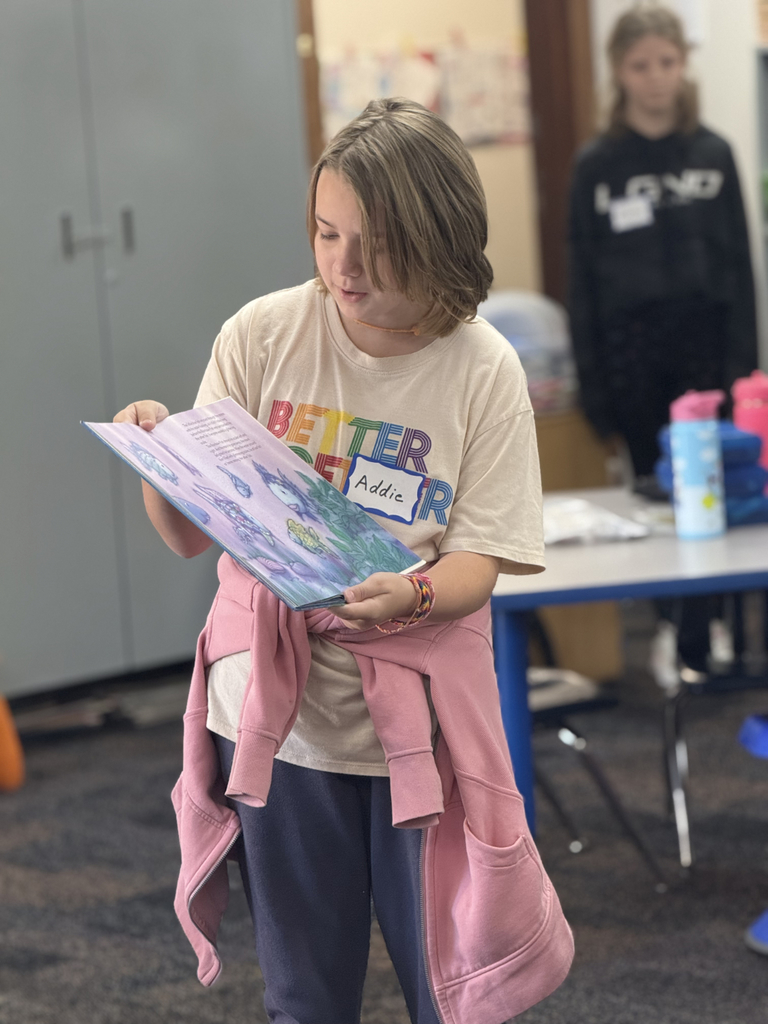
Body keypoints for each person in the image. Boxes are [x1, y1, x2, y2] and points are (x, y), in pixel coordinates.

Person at [114, 98, 573, 1024]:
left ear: (438, 236)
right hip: (278, 723)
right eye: (327, 233)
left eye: (375, 241)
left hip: (422, 719)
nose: (343, 265)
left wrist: (409, 592)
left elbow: (481, 560)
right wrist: (156, 463)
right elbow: (187, 533)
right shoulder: (263, 333)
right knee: (306, 996)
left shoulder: (482, 368)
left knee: (449, 987)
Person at [568, 4, 759, 676]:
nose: (656, 79)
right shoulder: (598, 165)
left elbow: (739, 266)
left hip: (707, 356)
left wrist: (745, 372)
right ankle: (676, 630)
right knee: (657, 502)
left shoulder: (713, 153)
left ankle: (713, 627)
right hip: (632, 363)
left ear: (684, 66)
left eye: (667, 63)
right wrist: (596, 388)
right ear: (619, 73)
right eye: (640, 65)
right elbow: (582, 280)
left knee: (719, 492)